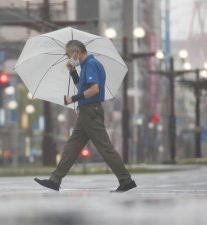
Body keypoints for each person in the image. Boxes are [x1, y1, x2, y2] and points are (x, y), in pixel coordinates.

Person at [34, 40, 137, 192]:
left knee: (105, 148)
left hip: (91, 112)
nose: (68, 58)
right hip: (86, 112)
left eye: (68, 54)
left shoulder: (91, 64)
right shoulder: (85, 66)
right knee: (71, 147)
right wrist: (72, 71)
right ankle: (55, 180)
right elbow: (82, 87)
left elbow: (94, 89)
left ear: (76, 52)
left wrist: (72, 99)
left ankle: (126, 180)